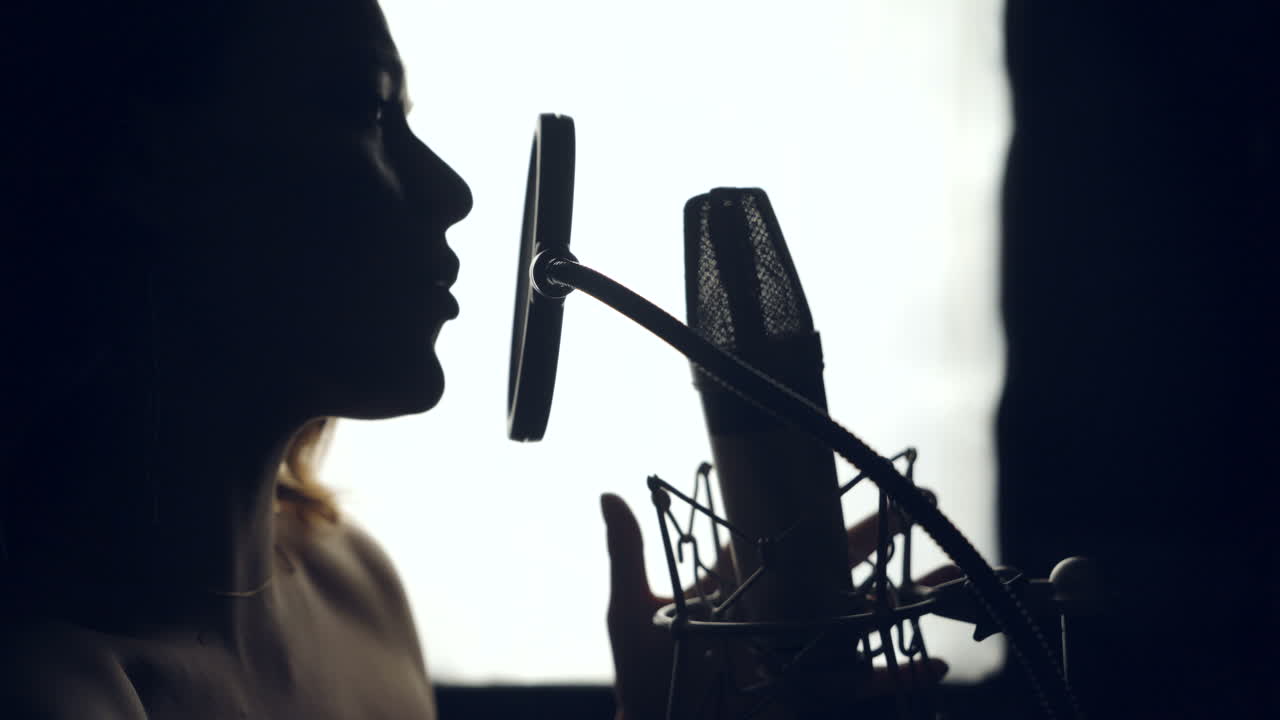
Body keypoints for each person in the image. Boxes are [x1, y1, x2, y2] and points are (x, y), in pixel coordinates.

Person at [0, 2, 950, 718]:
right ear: (147, 166)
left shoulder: (353, 585)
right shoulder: (62, 687)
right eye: (369, 113)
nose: (451, 191)